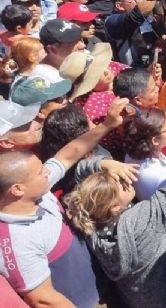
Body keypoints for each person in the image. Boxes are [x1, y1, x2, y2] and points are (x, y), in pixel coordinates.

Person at [64, 123, 166, 308]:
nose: (126, 181)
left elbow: (80, 171)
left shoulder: (90, 221)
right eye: (121, 185)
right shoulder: (141, 218)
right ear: (115, 208)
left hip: (140, 298)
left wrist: (107, 164)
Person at [0, 98, 129, 307]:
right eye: (40, 171)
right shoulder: (15, 242)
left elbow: (69, 154)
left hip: (102, 284)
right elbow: (44, 300)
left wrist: (107, 124)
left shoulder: (35, 189)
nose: (47, 171)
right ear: (17, 190)